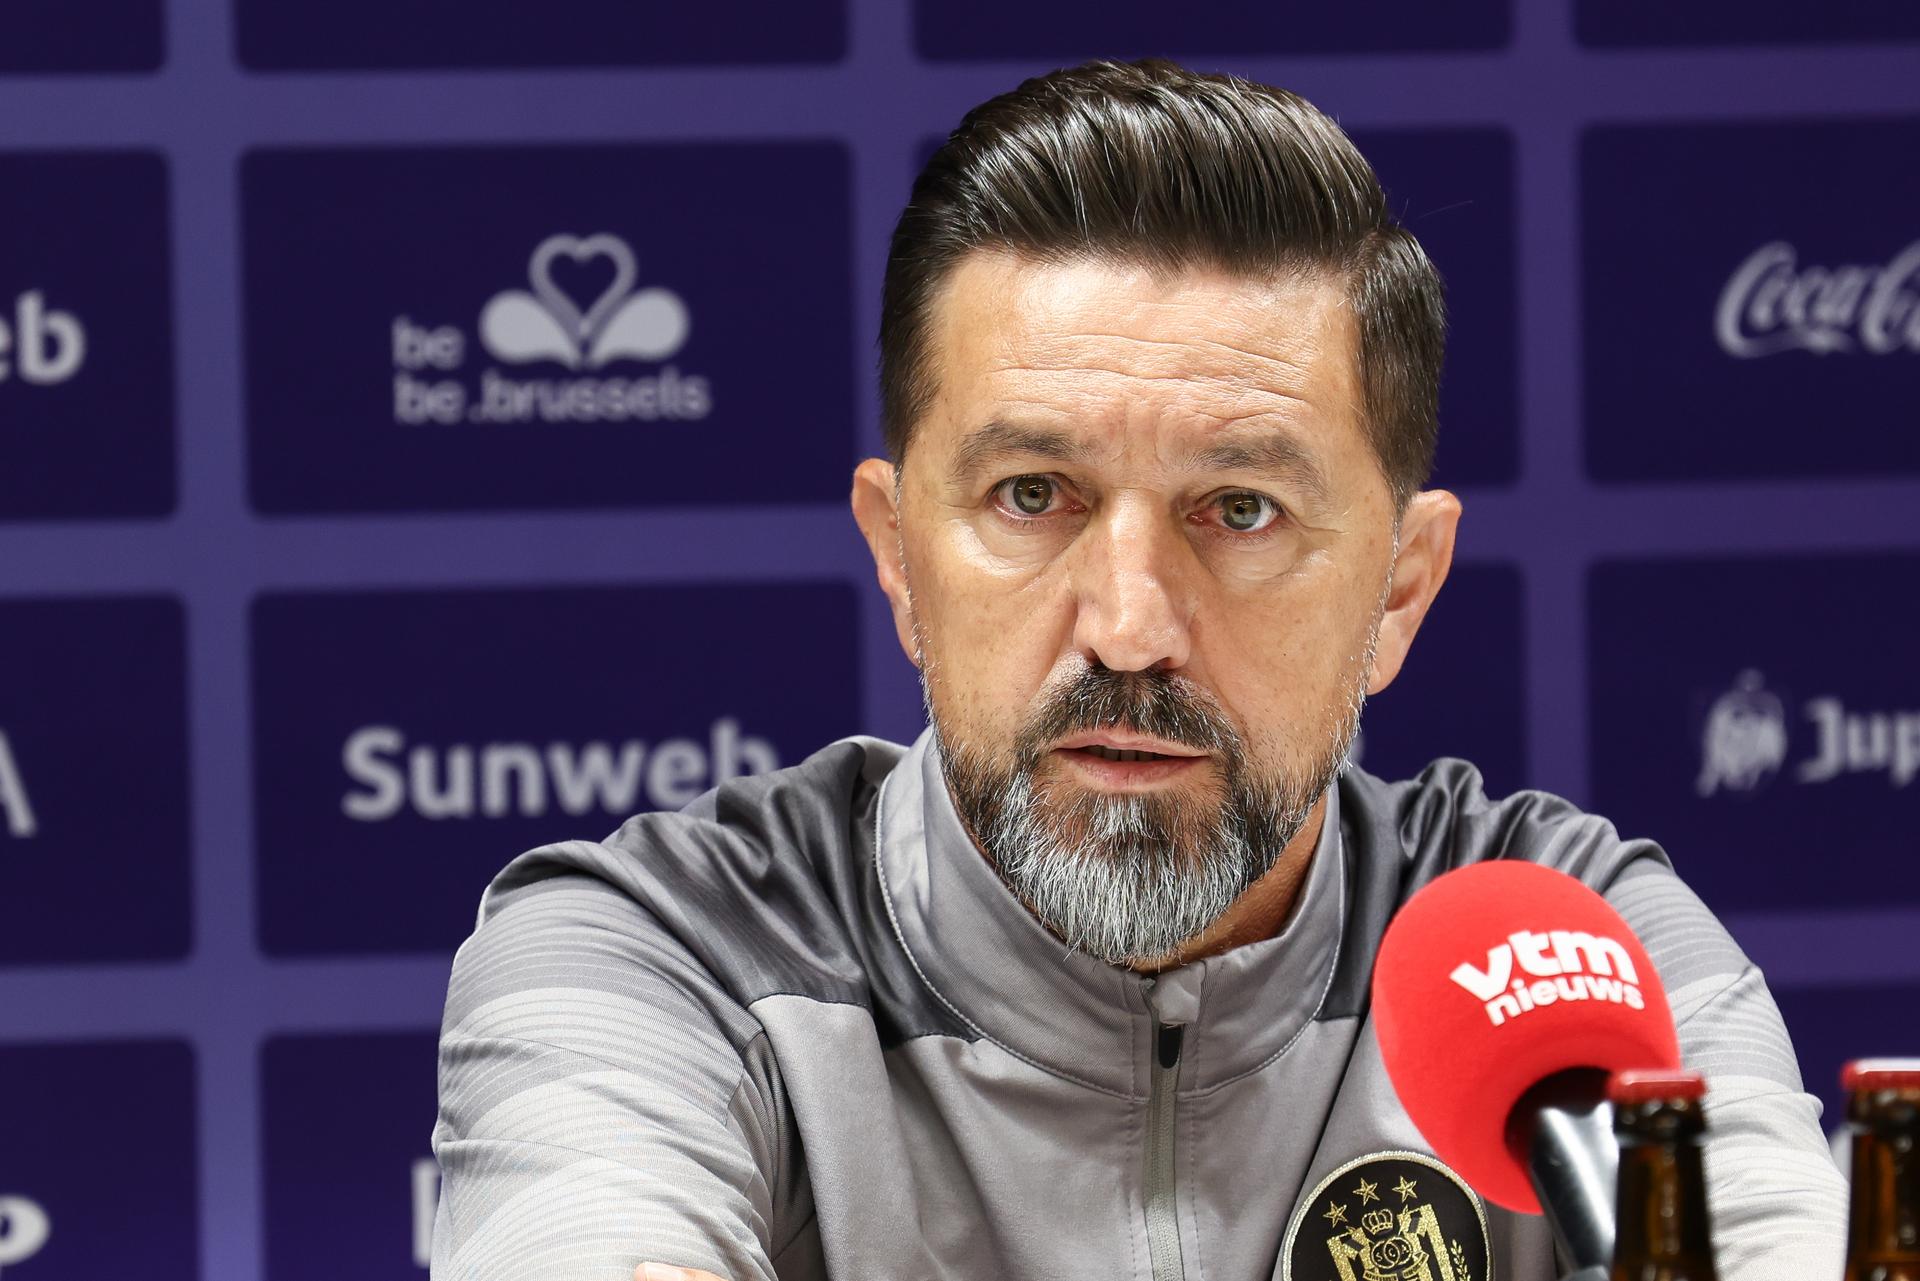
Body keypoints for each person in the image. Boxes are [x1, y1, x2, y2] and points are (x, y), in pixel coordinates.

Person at [429, 58, 1845, 1281]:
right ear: (901, 556)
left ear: (1399, 591)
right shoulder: (654, 953)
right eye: (1034, 495)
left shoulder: (1575, 953)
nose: (1127, 624)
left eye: (1239, 511)